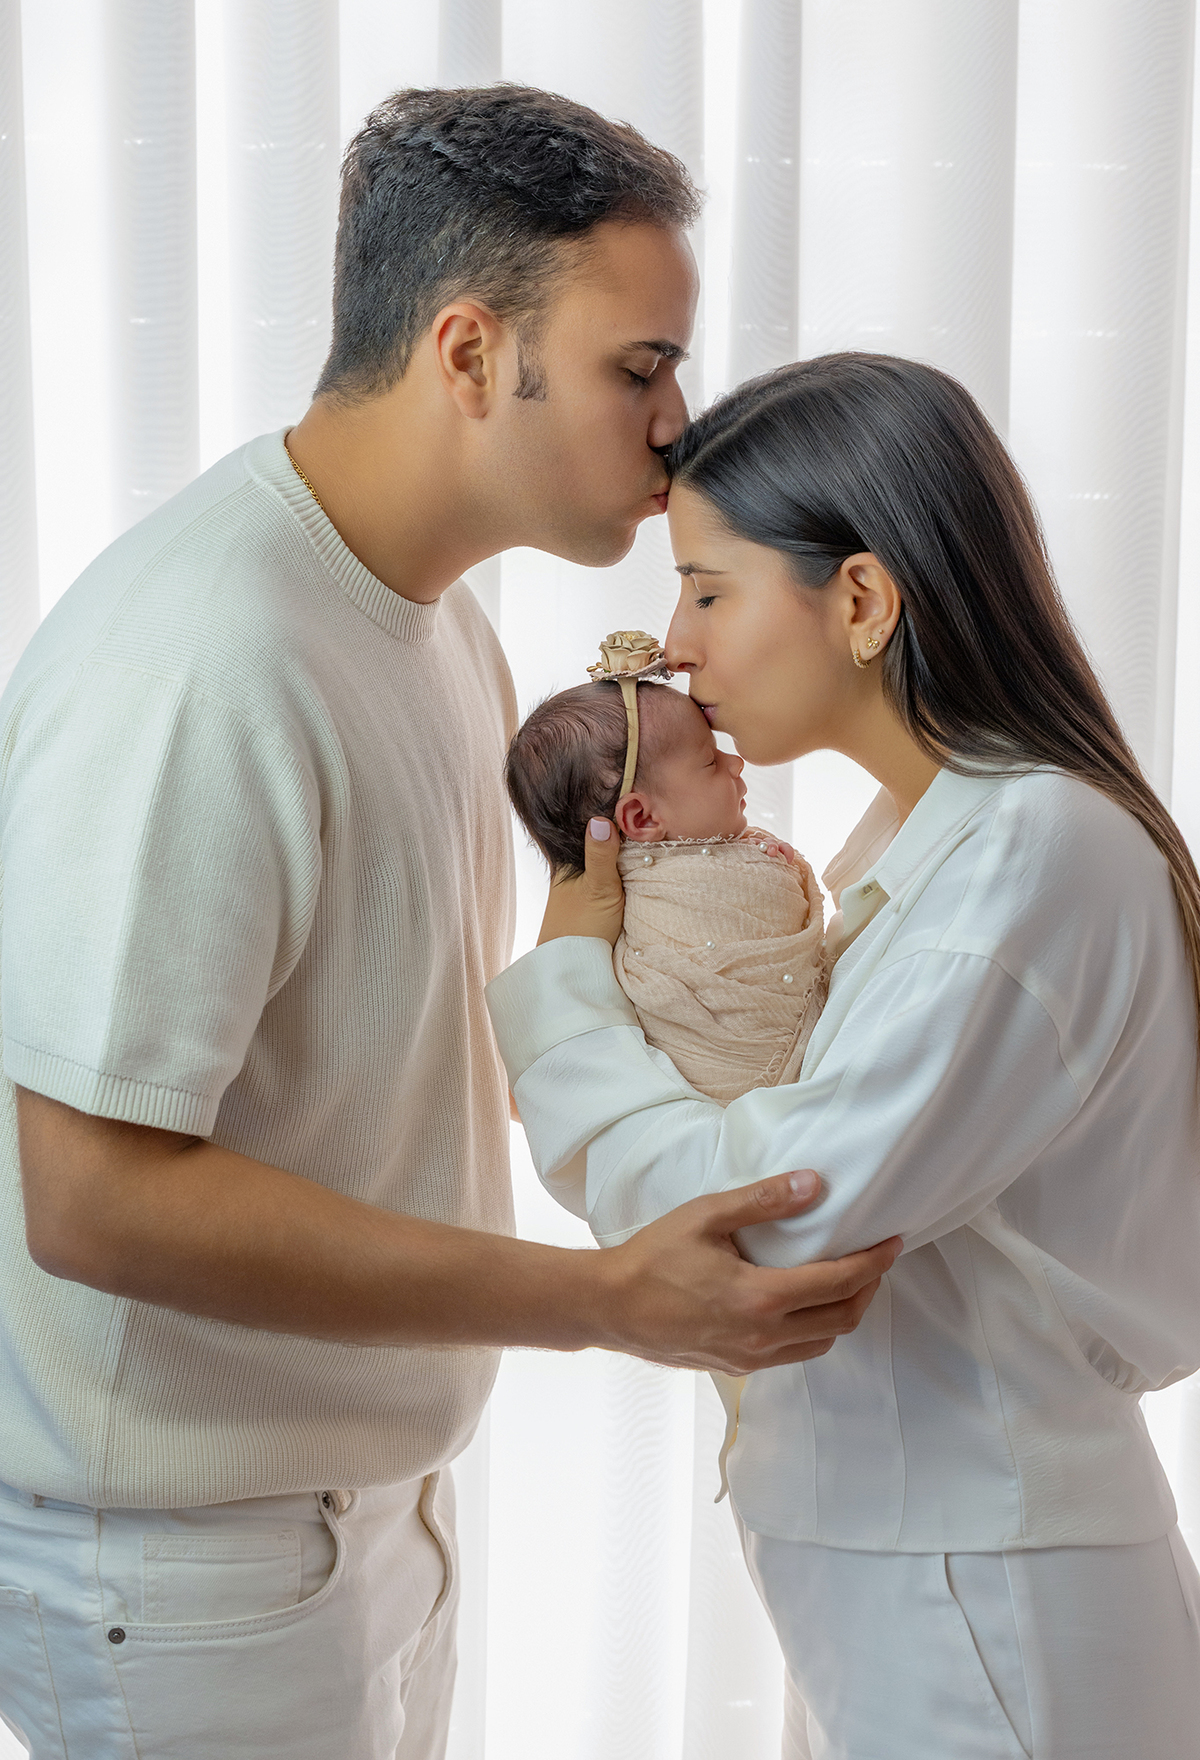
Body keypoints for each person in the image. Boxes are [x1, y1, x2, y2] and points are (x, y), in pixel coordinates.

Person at [0, 93, 899, 1759]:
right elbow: (93, 1197)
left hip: (361, 1521)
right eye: (642, 367)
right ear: (472, 355)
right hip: (193, 1575)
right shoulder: (202, 657)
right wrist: (603, 1300)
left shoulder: (440, 633)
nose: (679, 426)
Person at [485, 351, 1200, 1758]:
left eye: (705, 587)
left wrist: (567, 990)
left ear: (861, 600)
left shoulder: (1027, 858)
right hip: (931, 1559)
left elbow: (756, 1228)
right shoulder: (921, 845)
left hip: (976, 1579)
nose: (672, 647)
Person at [504, 637, 827, 1105]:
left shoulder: (716, 848)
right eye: (710, 761)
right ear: (642, 819)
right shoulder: (645, 896)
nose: (736, 762)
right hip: (728, 1088)